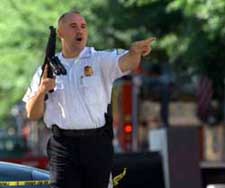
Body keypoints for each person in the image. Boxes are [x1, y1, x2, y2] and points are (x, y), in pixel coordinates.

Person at [23, 10, 155, 188]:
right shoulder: (47, 69)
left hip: (96, 144)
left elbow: (127, 62)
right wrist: (42, 90)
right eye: (73, 26)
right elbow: (32, 114)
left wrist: (134, 52)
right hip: (63, 146)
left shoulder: (99, 60)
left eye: (83, 26)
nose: (80, 31)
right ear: (60, 33)